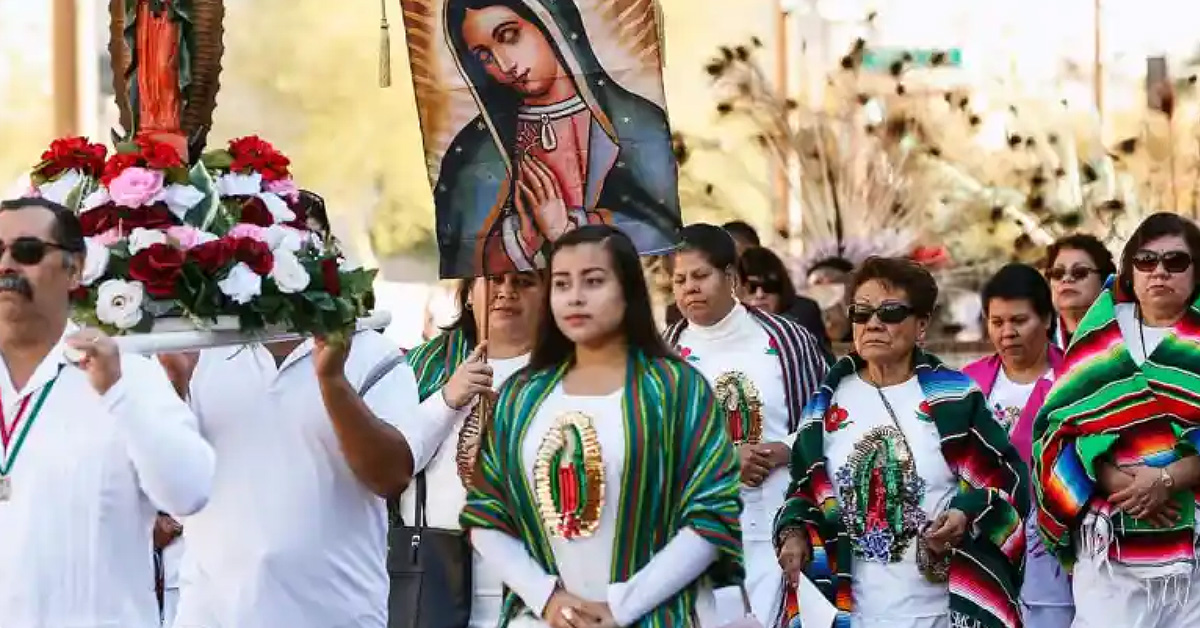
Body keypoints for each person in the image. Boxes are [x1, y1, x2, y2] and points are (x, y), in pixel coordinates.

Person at [461, 225, 743, 626]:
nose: (575, 296)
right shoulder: (521, 396)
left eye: (593, 282)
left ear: (627, 290)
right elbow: (486, 515)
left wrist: (622, 608)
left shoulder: (676, 390)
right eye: (561, 283)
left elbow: (712, 513)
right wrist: (548, 599)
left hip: (657, 617)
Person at [774, 256, 1028, 628]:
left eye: (890, 312)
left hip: (939, 613)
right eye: (861, 312)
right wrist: (795, 533)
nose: (874, 323)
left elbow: (1006, 481)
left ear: (921, 324)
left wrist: (963, 513)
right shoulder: (826, 402)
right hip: (847, 613)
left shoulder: (956, 398)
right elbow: (802, 491)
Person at [0, 197, 215, 628]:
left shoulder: (127, 375)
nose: (6, 265)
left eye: (26, 252)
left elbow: (189, 492)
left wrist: (117, 395)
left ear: (75, 269)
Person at [160, 324, 421, 626]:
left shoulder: (373, 352)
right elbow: (172, 494)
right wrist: (176, 389)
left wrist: (333, 382)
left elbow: (391, 476)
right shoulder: (201, 346)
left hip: (335, 616)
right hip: (211, 614)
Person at [1035, 213, 1200, 628]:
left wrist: (1168, 479)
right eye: (1146, 260)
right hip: (1111, 550)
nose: (1159, 271)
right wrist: (1118, 483)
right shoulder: (1100, 337)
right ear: (1130, 269)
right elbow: (1059, 432)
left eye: (1176, 262)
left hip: (1194, 554)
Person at [435, 0, 679, 276]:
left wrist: (573, 228)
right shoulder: (473, 151)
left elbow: (664, 230)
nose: (505, 64)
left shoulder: (639, 125)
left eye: (510, 35)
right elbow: (465, 259)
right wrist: (519, 242)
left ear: (549, 23)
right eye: (484, 57)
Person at [664, 224, 827, 623]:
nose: (689, 288)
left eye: (700, 276)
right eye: (679, 279)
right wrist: (723, 459)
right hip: (700, 538)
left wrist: (785, 449)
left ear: (731, 278)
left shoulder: (787, 341)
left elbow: (829, 419)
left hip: (784, 529)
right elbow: (651, 449)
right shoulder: (663, 353)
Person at [400, 271, 545, 626]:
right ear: (468, 293)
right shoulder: (420, 367)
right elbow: (389, 463)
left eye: (524, 282)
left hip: (534, 588)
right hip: (431, 579)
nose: (507, 291)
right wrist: (448, 398)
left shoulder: (570, 372)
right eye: (495, 279)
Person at [962, 264, 1072, 628]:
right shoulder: (968, 385)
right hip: (982, 546)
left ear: (1046, 318)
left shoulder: (1073, 380)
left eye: (1019, 320)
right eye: (997, 322)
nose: (1007, 333)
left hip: (1052, 547)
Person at [737, 245, 829, 350]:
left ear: (782, 288)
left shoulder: (803, 315)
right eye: (751, 287)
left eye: (769, 286)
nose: (760, 294)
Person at [1043, 234, 1115, 348]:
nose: (1066, 279)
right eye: (1057, 273)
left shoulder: (1131, 333)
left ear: (1103, 281)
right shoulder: (1035, 347)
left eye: (1079, 272)